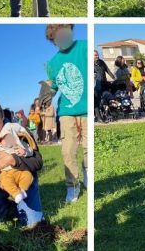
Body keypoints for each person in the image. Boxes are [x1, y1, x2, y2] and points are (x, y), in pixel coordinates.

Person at [0, 96, 45, 228]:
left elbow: (38, 162)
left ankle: (22, 201)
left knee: (34, 224)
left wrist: (14, 160)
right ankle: (6, 208)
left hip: (23, 180)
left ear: (1, 116)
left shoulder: (18, 131)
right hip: (3, 181)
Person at [45, 24, 87, 203]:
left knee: (88, 147)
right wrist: (46, 95)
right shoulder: (52, 63)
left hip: (85, 109)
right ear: (53, 41)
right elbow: (53, 86)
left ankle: (88, 177)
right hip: (66, 111)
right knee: (68, 150)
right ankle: (72, 186)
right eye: (57, 36)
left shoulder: (84, 46)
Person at [0, 120, 36, 204]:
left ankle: (22, 190)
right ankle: (16, 194)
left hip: (19, 170)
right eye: (4, 138)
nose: (7, 140)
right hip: (6, 172)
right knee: (5, 181)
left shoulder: (19, 145)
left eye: (9, 138)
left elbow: (31, 151)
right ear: (0, 139)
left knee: (28, 175)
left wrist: (24, 152)